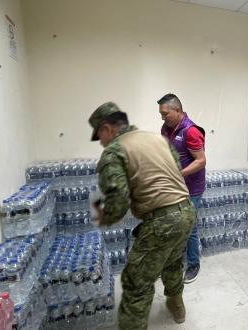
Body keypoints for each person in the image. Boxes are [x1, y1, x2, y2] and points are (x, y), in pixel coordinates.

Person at [89, 102, 196, 328]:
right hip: (187, 211)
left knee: (136, 282)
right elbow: (176, 173)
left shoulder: (114, 151)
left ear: (108, 128)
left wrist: (102, 216)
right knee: (172, 262)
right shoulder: (159, 139)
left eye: (99, 135)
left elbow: (118, 202)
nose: (101, 142)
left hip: (162, 221)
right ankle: (177, 305)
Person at [157, 93, 206, 284]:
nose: (162, 117)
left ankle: (193, 264)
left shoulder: (191, 131)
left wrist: (179, 174)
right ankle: (174, 263)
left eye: (165, 113)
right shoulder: (165, 128)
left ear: (177, 111)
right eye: (161, 114)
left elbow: (201, 161)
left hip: (191, 188)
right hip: (174, 186)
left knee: (189, 227)